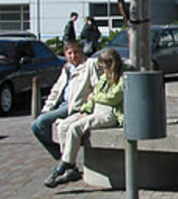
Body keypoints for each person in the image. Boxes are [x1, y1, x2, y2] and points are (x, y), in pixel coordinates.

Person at [45, 48, 125, 188]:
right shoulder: (105, 77)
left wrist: (95, 96)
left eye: (104, 66)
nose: (102, 69)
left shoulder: (122, 78)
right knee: (63, 125)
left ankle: (64, 165)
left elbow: (113, 98)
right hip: (94, 109)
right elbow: (94, 95)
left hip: (109, 113)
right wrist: (85, 109)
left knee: (76, 128)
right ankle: (71, 168)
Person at [31, 40, 101, 177]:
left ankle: (67, 162)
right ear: (65, 54)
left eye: (76, 52)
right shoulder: (67, 68)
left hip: (75, 106)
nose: (73, 56)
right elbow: (56, 90)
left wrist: (89, 106)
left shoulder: (89, 65)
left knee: (44, 124)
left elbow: (97, 87)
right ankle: (63, 157)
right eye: (69, 53)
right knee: (36, 126)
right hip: (63, 104)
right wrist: (47, 108)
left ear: (81, 52)